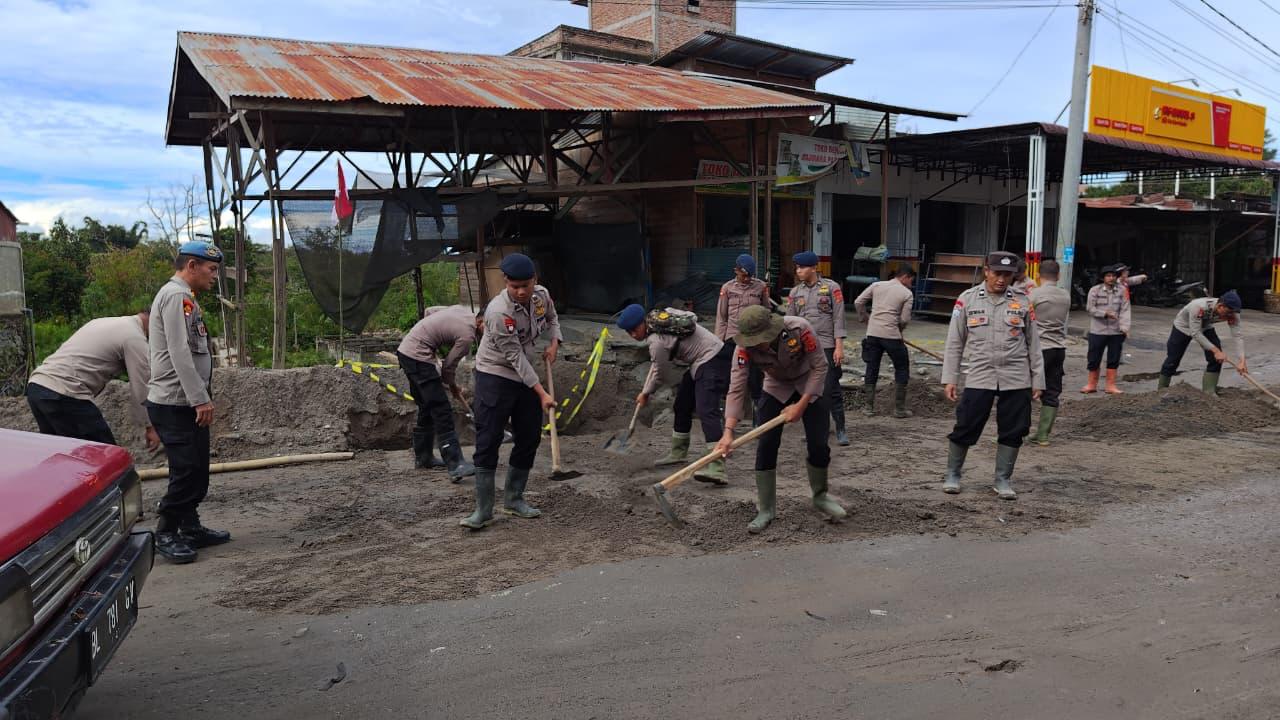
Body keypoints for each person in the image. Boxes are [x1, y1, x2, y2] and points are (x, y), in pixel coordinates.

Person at [715, 306, 847, 534]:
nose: (759, 346)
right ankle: (766, 509)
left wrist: (801, 405)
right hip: (776, 386)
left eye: (762, 340)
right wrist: (728, 432)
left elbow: (820, 367)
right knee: (766, 444)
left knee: (818, 443)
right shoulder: (743, 348)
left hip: (809, 383)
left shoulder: (800, 329)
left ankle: (820, 496)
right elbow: (736, 388)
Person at [461, 253, 561, 530]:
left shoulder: (542, 296)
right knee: (489, 438)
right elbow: (515, 358)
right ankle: (483, 509)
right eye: (514, 285)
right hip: (495, 374)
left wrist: (554, 342)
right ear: (505, 282)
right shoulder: (497, 312)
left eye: (525, 285)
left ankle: (514, 499)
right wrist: (542, 394)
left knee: (529, 435)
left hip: (525, 374)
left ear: (535, 281)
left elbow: (552, 319)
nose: (520, 291)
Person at [146, 241, 229, 564]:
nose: (214, 276)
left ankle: (190, 526)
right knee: (186, 470)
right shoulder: (176, 296)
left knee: (198, 470)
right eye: (211, 270)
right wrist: (200, 399)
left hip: (186, 402)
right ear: (191, 266)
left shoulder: (184, 297)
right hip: (175, 403)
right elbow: (181, 353)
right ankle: (166, 532)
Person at [941, 251, 1044, 500]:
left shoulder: (1022, 301)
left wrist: (1038, 379)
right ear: (986, 270)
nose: (1001, 279)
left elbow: (1034, 343)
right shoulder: (967, 300)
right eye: (997, 273)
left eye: (1007, 275)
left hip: (1016, 376)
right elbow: (954, 342)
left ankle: (1002, 480)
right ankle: (953, 474)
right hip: (980, 374)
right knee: (966, 424)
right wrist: (950, 377)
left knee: (1014, 428)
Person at [617, 304, 729, 484]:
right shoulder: (661, 316)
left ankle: (717, 466)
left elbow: (660, 373)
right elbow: (656, 365)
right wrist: (645, 391)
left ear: (642, 322)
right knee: (682, 404)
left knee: (706, 409)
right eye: (628, 332)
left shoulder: (656, 341)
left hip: (711, 358)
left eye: (634, 329)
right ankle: (678, 452)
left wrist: (647, 393)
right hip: (701, 360)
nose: (633, 335)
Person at [26, 310, 160, 451]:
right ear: (157, 323)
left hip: (37, 387)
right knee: (106, 456)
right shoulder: (134, 337)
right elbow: (141, 385)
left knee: (61, 456)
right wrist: (150, 426)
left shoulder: (102, 322)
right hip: (64, 393)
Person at [397, 305, 483, 480]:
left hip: (406, 350)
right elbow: (448, 368)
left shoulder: (463, 310)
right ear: (481, 321)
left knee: (427, 405)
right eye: (489, 327)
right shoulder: (467, 337)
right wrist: (452, 386)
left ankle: (424, 457)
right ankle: (455, 464)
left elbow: (429, 311)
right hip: (418, 356)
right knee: (441, 408)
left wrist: (428, 340)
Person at [786, 251, 850, 445]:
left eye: (802, 267)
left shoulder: (831, 288)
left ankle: (840, 429)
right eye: (797, 268)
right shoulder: (795, 292)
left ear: (814, 268)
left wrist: (839, 346)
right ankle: (815, 429)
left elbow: (839, 318)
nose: (799, 271)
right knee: (810, 390)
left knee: (831, 388)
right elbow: (789, 322)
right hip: (806, 349)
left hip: (828, 346)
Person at [852, 266, 917, 419]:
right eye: (911, 280)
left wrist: (865, 318)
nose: (911, 283)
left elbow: (858, 302)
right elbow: (905, 319)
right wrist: (899, 330)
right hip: (891, 336)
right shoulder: (906, 293)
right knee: (902, 368)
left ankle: (869, 408)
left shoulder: (877, 285)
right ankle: (899, 410)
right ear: (905, 277)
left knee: (872, 367)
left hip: (872, 334)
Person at [715, 254, 770, 425]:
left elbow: (766, 312)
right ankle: (726, 418)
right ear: (736, 271)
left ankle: (757, 418)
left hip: (753, 340)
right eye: (743, 275)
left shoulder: (761, 287)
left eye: (749, 276)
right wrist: (719, 343)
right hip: (732, 338)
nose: (746, 279)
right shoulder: (727, 288)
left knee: (755, 378)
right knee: (727, 379)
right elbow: (721, 317)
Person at [1157, 291, 1247, 394]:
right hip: (1183, 327)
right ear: (1220, 306)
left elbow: (1238, 336)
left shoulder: (1233, 313)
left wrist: (1242, 361)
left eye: (1232, 313)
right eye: (1228, 313)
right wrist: (1216, 351)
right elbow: (1195, 333)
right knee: (1173, 360)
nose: (1230, 316)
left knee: (1216, 359)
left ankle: (1209, 391)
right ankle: (1161, 392)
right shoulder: (1198, 306)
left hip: (1205, 326)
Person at [1028, 260, 1070, 445]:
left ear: (1038, 275)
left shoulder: (1034, 294)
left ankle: (1016, 432)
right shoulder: (1065, 295)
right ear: (1058, 276)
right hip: (1059, 348)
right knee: (1052, 391)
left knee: (1024, 391)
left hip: (1039, 349)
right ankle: (1043, 435)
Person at [1081, 264, 1131, 395]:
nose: (1111, 278)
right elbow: (1090, 308)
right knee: (1093, 358)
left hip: (1116, 331)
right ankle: (1091, 384)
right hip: (1098, 331)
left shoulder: (1122, 290)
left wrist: (1125, 327)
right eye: (1108, 276)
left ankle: (1111, 386)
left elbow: (1126, 310)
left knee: (1114, 358)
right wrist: (1104, 313)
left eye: (1113, 276)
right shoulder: (1095, 290)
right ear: (1103, 278)